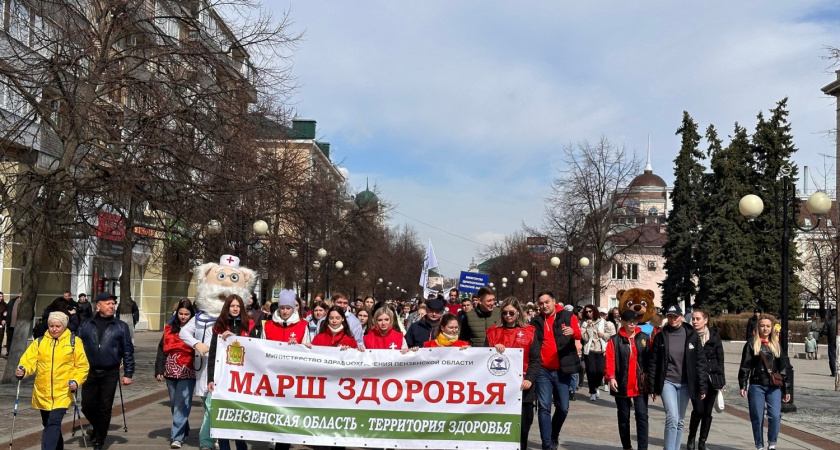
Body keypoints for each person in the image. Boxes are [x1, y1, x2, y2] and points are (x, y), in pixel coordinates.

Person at [16, 311, 89, 450]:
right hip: (42, 391)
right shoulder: (40, 342)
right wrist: (23, 370)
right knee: (49, 424)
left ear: (64, 326)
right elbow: (29, 361)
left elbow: (82, 366)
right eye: (51, 326)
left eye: (57, 326)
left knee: (53, 423)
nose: (54, 329)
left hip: (63, 391)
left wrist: (76, 381)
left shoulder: (74, 342)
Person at [77, 292, 135, 450]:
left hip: (110, 372)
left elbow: (128, 351)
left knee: (105, 406)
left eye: (112, 303)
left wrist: (128, 373)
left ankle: (99, 440)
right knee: (87, 406)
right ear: (98, 305)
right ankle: (97, 429)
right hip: (88, 372)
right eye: (108, 303)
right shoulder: (85, 324)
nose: (111, 306)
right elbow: (75, 348)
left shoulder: (120, 326)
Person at [646, 305, 708, 450]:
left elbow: (700, 362)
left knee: (680, 420)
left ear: (680, 317)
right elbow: (653, 362)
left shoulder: (691, 335)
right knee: (672, 418)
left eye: (675, 316)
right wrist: (652, 386)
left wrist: (702, 386)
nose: (672, 319)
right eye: (670, 316)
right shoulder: (661, 336)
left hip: (686, 383)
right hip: (668, 381)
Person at [486, 298, 540, 450]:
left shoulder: (529, 332)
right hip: (499, 390)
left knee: (523, 428)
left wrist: (529, 379)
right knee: (500, 427)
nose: (508, 316)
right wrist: (492, 350)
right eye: (504, 313)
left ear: (518, 313)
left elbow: (536, 359)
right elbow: (483, 359)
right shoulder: (493, 333)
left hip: (523, 388)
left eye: (511, 312)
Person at [206, 295, 259, 450]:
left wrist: (235, 339)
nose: (235, 309)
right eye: (232, 306)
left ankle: (241, 446)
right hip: (223, 378)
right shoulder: (219, 326)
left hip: (242, 379)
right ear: (227, 308)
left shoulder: (248, 326)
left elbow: (256, 349)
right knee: (222, 415)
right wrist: (211, 378)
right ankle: (224, 446)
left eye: (238, 306)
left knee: (239, 416)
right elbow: (213, 355)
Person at [531, 291, 582, 450]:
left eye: (547, 302)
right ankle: (547, 443)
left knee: (563, 408)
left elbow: (579, 334)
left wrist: (573, 332)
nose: (544, 306)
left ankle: (554, 435)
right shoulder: (536, 320)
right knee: (544, 407)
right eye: (541, 303)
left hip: (562, 369)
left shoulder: (567, 316)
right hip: (543, 370)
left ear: (554, 301)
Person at [738, 314, 791, 450]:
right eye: (762, 326)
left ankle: (772, 443)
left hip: (773, 386)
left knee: (775, 415)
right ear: (758, 327)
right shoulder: (752, 343)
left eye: (768, 326)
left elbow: (784, 368)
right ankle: (759, 445)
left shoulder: (776, 345)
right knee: (757, 416)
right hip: (756, 385)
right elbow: (745, 365)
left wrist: (787, 389)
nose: (765, 328)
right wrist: (743, 384)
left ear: (772, 327)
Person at [155, 298, 197, 449]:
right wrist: (159, 370)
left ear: (191, 315)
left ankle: (176, 437)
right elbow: (161, 350)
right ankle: (183, 427)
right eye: (181, 313)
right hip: (170, 369)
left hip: (188, 369)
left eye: (186, 314)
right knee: (175, 404)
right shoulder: (169, 329)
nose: (183, 317)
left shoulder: (196, 329)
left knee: (182, 403)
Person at [605, 309, 650, 450]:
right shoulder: (615, 340)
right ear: (622, 322)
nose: (632, 323)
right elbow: (610, 360)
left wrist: (651, 380)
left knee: (642, 416)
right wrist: (611, 377)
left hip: (640, 384)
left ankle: (643, 447)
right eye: (629, 321)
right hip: (622, 383)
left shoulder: (644, 337)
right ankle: (627, 446)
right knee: (624, 417)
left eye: (634, 321)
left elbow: (650, 360)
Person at [686, 309, 725, 450]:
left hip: (712, 378)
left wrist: (722, 381)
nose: (695, 321)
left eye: (698, 319)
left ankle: (702, 442)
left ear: (705, 320)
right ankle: (691, 437)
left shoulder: (714, 336)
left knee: (707, 412)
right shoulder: (689, 336)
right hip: (695, 379)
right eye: (693, 319)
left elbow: (720, 358)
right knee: (699, 410)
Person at [581, 304, 616, 401]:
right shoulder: (584, 324)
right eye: (586, 312)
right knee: (591, 371)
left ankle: (596, 387)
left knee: (600, 371)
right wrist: (589, 327)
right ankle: (592, 391)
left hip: (601, 350)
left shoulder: (604, 322)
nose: (588, 313)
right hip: (590, 350)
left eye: (590, 311)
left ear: (594, 311)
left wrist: (603, 335)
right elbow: (584, 338)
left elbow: (612, 335)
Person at [821, 311, 838, 376]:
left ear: (831, 314)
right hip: (838, 339)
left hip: (831, 339)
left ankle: (833, 371)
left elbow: (824, 331)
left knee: (831, 355)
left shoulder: (829, 321)